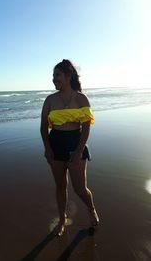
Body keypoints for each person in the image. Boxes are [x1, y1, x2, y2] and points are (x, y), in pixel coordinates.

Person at [40, 59, 99, 236]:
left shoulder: (81, 98)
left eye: (57, 75)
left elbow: (86, 127)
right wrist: (48, 148)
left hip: (76, 143)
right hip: (55, 142)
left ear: (68, 76)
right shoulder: (50, 100)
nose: (54, 79)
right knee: (60, 186)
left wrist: (79, 150)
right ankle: (62, 219)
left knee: (80, 188)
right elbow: (43, 127)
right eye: (53, 76)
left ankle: (91, 209)